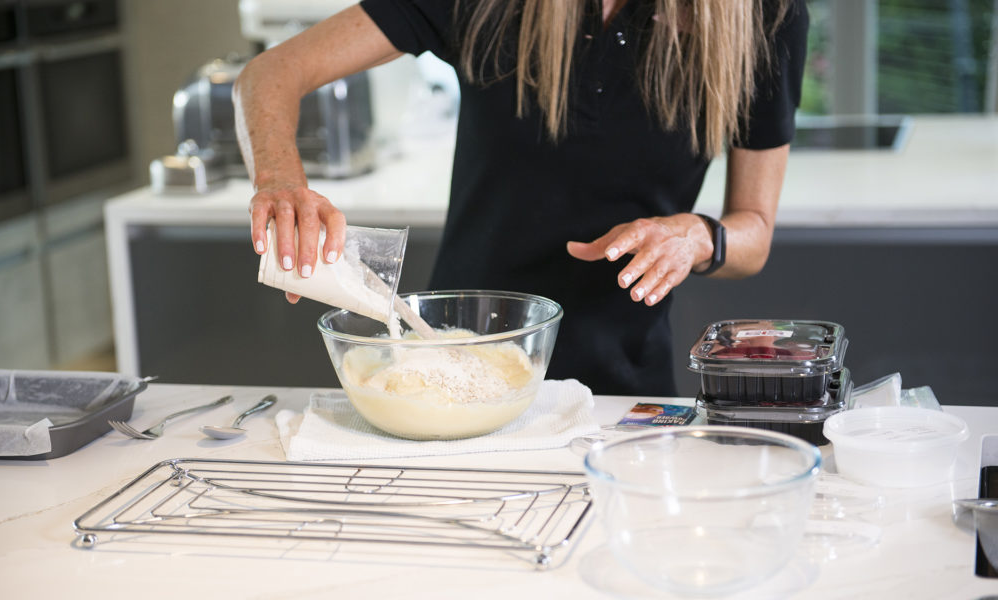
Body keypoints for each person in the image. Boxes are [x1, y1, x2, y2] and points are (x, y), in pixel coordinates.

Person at [233, 0, 809, 396]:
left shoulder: (764, 15)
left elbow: (753, 231)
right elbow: (270, 73)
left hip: (623, 392)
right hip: (451, 369)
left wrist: (696, 236)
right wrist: (280, 181)